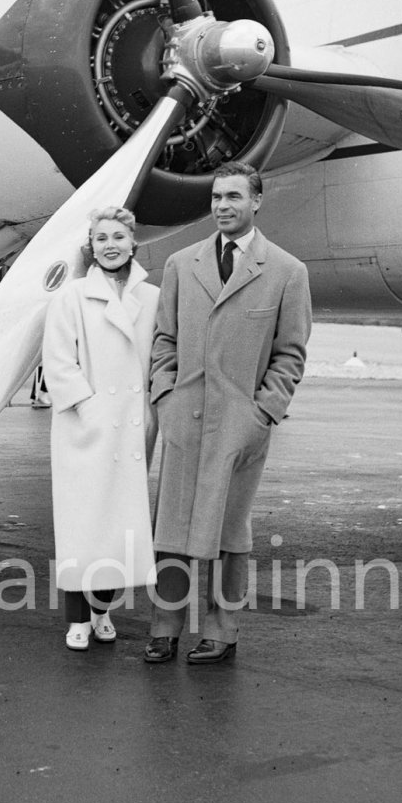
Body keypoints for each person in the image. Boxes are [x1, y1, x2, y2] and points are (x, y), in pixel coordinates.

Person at [145, 161, 311, 665]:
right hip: (183, 419)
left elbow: (290, 354)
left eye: (234, 197)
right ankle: (164, 624)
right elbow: (164, 340)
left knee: (229, 531)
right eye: (217, 197)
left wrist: (263, 414)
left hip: (240, 426)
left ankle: (222, 628)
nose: (222, 206)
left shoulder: (286, 272)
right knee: (170, 528)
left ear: (256, 202)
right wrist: (164, 396)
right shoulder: (181, 264)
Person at [41, 205, 159, 651]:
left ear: (133, 242)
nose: (110, 245)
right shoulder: (71, 297)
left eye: (118, 237)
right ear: (91, 246)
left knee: (120, 526)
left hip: (130, 428)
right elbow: (58, 364)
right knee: (81, 523)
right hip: (84, 429)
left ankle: (102, 610)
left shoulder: (152, 298)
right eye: (101, 238)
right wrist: (89, 412)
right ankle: (76, 617)